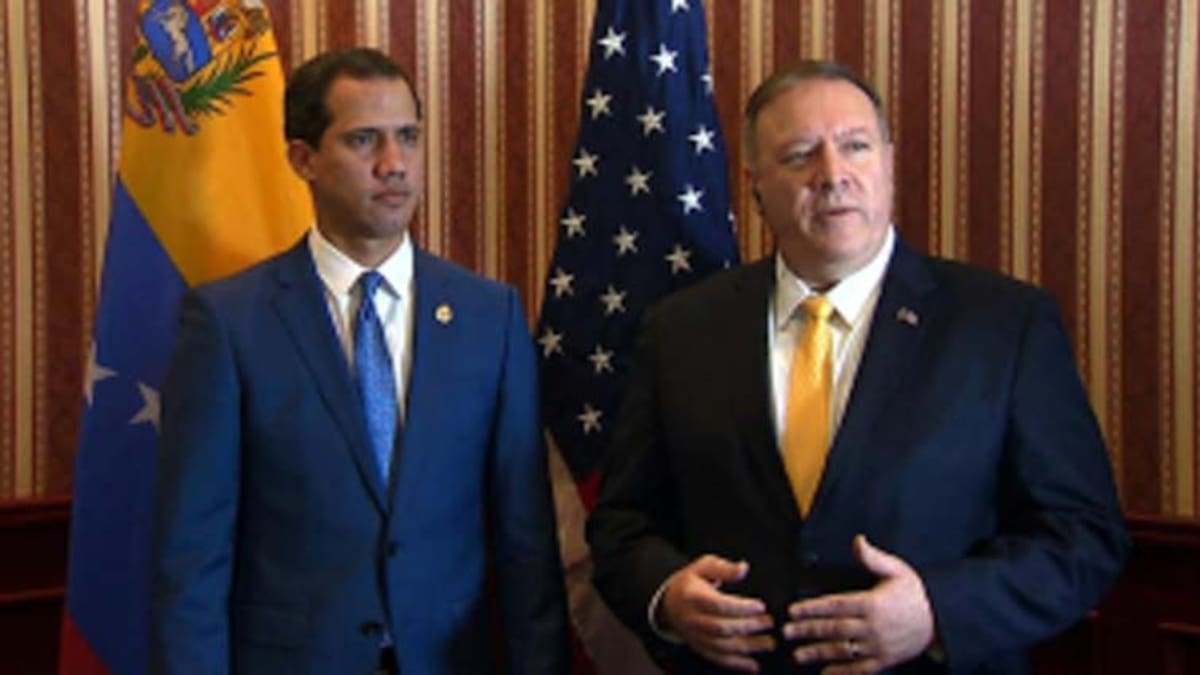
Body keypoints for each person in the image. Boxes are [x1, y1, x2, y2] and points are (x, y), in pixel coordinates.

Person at [586, 59, 1129, 674]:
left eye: (855, 146)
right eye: (799, 155)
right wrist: (666, 595)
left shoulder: (1004, 325)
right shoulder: (681, 330)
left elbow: (1084, 535)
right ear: (755, 185)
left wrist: (938, 611)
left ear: (889, 163)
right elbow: (623, 524)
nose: (832, 175)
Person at [151, 47, 568, 675]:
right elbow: (191, 558)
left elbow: (525, 540)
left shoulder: (490, 317)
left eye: (408, 137)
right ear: (303, 159)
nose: (394, 164)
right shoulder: (227, 323)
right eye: (363, 140)